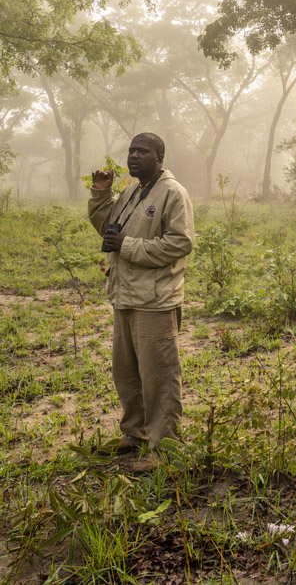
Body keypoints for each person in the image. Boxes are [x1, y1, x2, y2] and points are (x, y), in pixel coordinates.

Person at [88, 133, 195, 455]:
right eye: (132, 151)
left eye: (143, 151)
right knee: (127, 373)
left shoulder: (173, 193)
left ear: (159, 157)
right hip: (125, 294)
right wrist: (101, 193)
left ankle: (166, 449)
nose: (134, 156)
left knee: (159, 377)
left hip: (155, 300)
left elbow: (181, 243)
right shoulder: (133, 190)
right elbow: (108, 226)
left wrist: (129, 246)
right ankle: (134, 435)